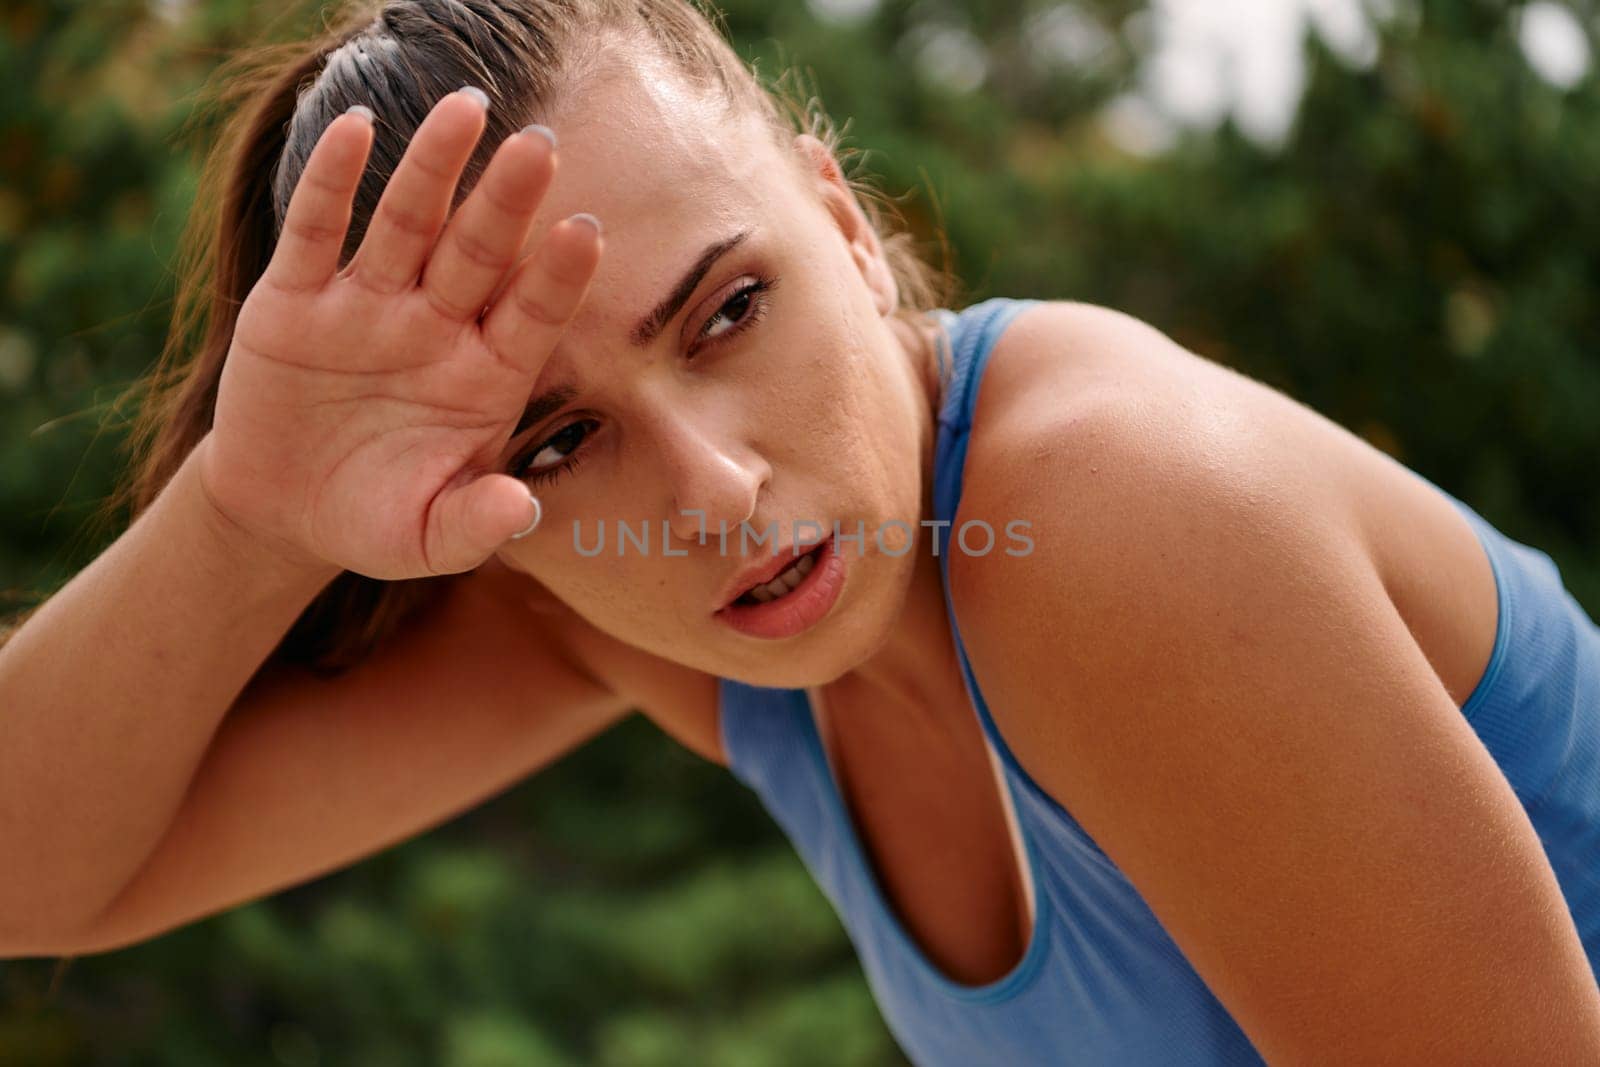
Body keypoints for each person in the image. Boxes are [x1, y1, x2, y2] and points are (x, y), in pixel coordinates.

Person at [1, 1, 1596, 1062]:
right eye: (560, 441)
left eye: (728, 310)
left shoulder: (1116, 509)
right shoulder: (629, 607)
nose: (712, 496)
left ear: (839, 214)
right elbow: (31, 879)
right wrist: (245, 513)